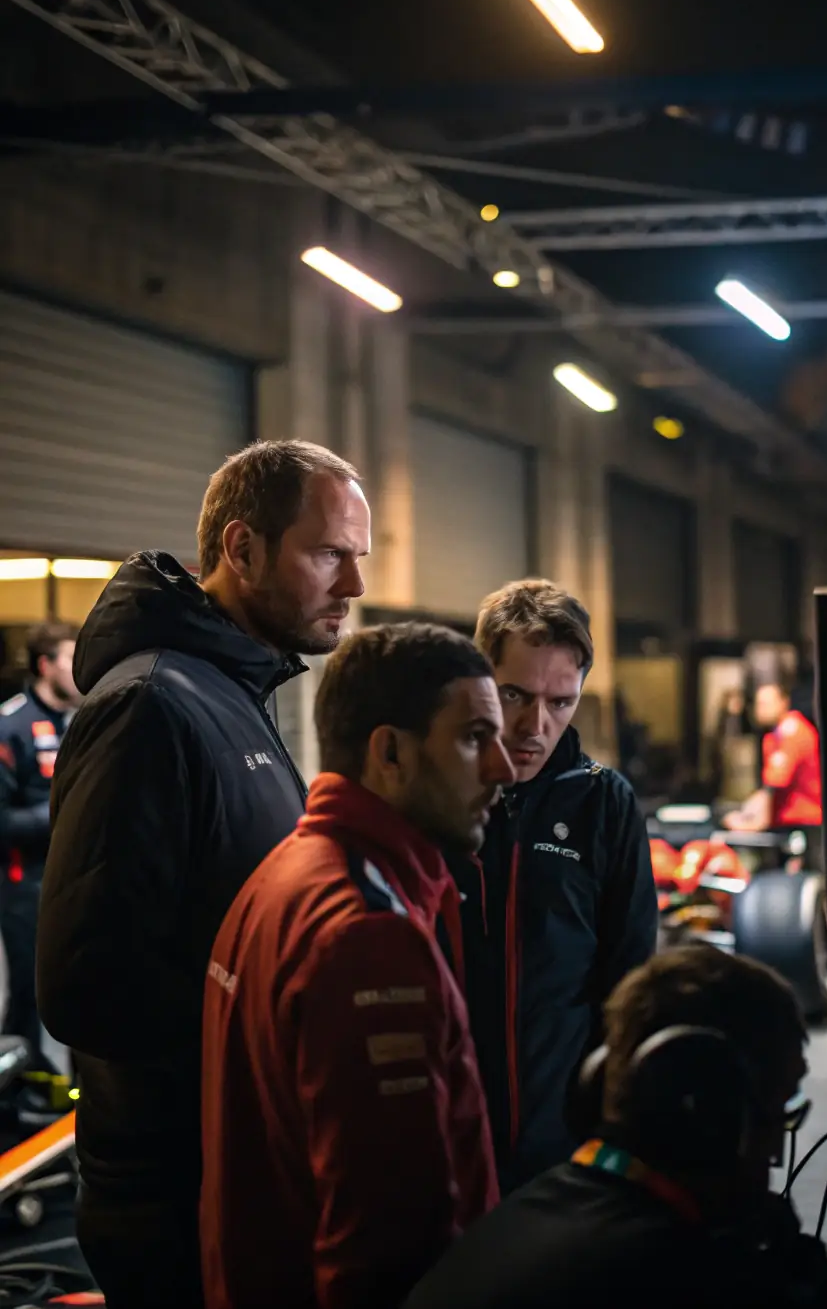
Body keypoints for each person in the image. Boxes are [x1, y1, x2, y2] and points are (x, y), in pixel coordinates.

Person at [37, 439, 370, 1309]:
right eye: (330, 553)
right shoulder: (151, 706)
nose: (353, 587)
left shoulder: (229, 697)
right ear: (242, 548)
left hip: (238, 1170)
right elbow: (86, 986)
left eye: (357, 559)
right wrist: (268, 1028)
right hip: (176, 1195)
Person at [201, 623, 515, 1309]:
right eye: (473, 737)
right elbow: (388, 1244)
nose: (504, 766)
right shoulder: (368, 934)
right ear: (390, 752)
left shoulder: (282, 874)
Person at [403, 945, 827, 1309]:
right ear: (706, 1110)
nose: (777, 1150)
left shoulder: (530, 1214)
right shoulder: (679, 1278)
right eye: (778, 1109)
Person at [458, 580, 657, 1192]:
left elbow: (629, 983)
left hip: (564, 1148)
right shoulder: (436, 793)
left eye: (560, 702)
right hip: (446, 1144)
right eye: (514, 694)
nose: (534, 726)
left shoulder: (604, 803)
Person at [0, 622, 80, 1074]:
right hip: (22, 887)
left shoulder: (78, 722)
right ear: (46, 665)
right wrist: (65, 812)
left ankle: (68, 1096)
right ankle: (18, 1101)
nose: (80, 669)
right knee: (30, 998)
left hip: (71, 882)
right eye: (72, 659)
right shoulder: (10, 727)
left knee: (75, 992)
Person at [723, 673, 822, 833]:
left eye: (766, 704)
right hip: (786, 822)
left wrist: (750, 824)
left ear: (784, 703)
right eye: (759, 704)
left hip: (803, 823)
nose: (761, 709)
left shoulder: (792, 731)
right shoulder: (773, 736)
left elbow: (773, 785)